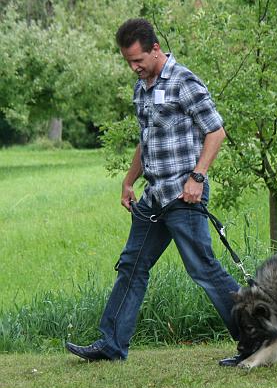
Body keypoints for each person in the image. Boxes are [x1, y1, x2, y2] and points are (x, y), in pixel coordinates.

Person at [66, 18, 244, 366]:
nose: (134, 68)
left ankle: (255, 337)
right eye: (128, 62)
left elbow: (216, 132)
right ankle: (111, 344)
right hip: (153, 197)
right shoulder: (142, 88)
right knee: (132, 264)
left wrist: (198, 177)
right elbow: (146, 141)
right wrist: (129, 181)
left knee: (203, 269)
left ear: (155, 50)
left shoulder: (184, 81)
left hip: (183, 195)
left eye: (138, 61)